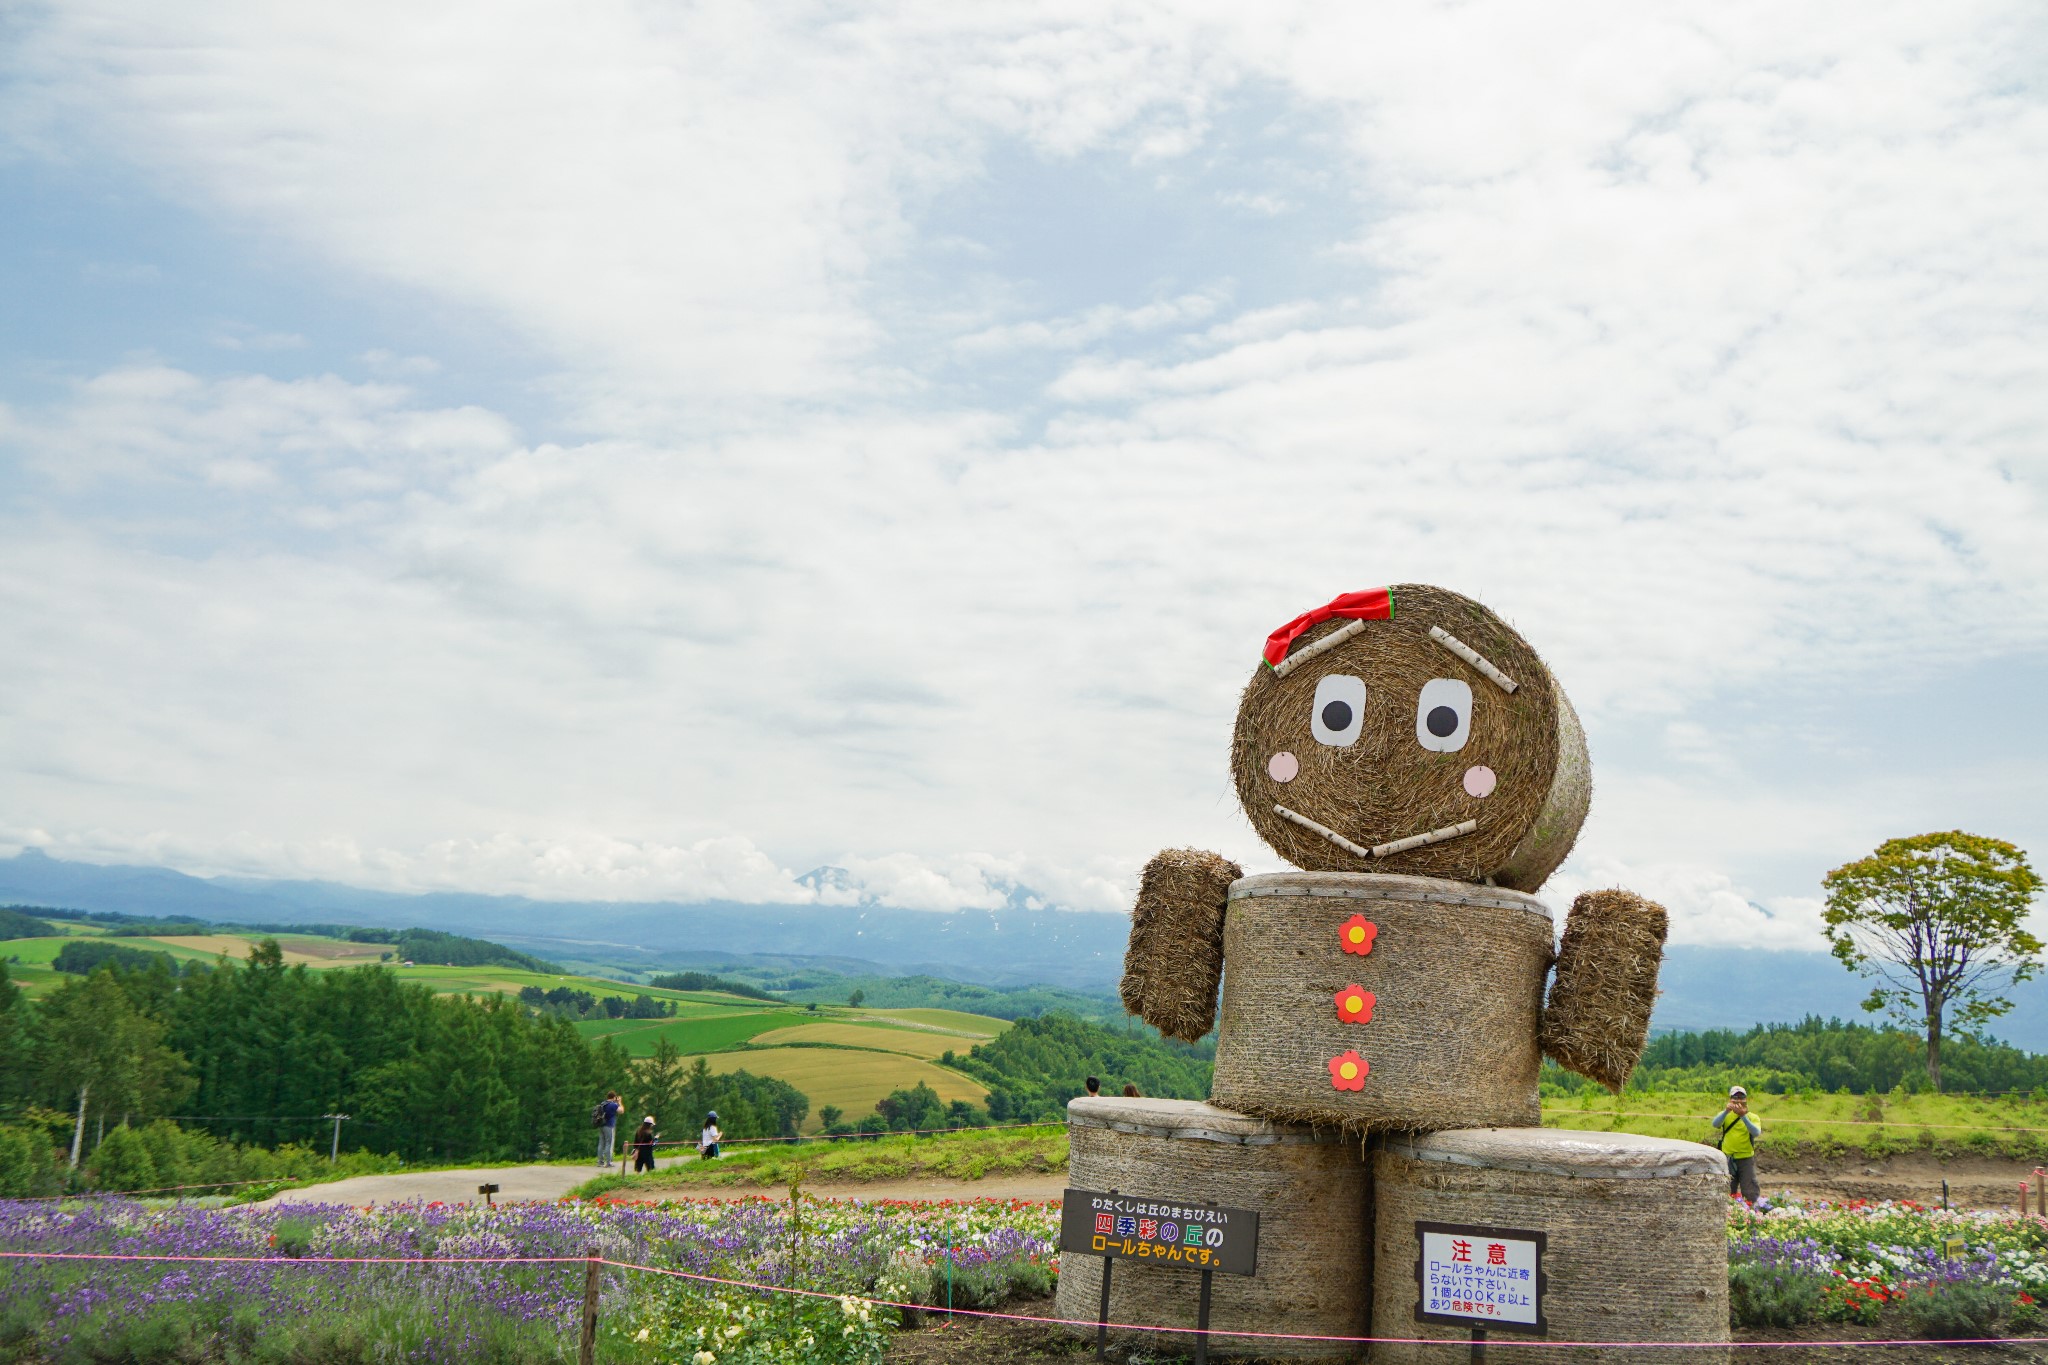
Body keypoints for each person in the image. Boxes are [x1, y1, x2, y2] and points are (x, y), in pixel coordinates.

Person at [1710, 1085, 1762, 1203]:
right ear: (1730, 1099)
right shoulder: (1725, 1115)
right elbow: (1715, 1124)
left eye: (1741, 1097)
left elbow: (1756, 1132)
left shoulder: (1753, 1117)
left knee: (1750, 1190)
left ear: (1745, 1099)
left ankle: (1751, 1211)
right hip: (1728, 1157)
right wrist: (1726, 1111)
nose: (1738, 1100)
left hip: (1745, 1158)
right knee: (1727, 1189)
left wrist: (1743, 1116)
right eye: (1735, 1098)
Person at [596, 1091, 622, 1168]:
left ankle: (600, 1161)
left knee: (601, 1143)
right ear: (614, 1097)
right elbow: (621, 1111)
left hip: (601, 1125)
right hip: (609, 1126)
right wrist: (619, 1102)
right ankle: (608, 1162)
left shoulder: (603, 1103)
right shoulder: (612, 1105)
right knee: (609, 1143)